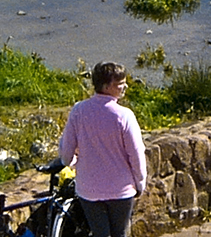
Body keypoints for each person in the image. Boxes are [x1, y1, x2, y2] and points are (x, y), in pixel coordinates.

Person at [59, 62, 150, 237]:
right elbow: (136, 154)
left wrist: (73, 164)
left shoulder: (78, 111)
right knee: (120, 233)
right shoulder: (124, 116)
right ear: (108, 86)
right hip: (121, 190)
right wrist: (140, 183)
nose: (126, 87)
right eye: (121, 83)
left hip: (89, 189)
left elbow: (65, 152)